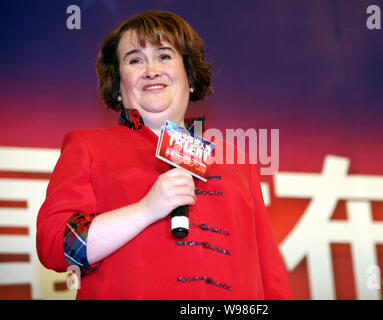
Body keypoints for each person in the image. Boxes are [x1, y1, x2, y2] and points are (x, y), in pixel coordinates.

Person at [36, 10, 292, 300]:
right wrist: (145, 210)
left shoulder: (236, 161)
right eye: (134, 60)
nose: (151, 70)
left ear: (190, 76)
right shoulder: (87, 147)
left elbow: (270, 273)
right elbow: (55, 245)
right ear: (119, 85)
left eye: (164, 56)